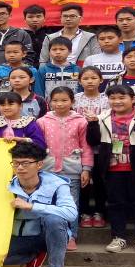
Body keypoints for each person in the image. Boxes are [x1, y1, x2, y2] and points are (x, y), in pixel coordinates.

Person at [87, 84, 135, 255]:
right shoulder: (102, 117)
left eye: (122, 98)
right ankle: (118, 237)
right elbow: (93, 141)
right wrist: (92, 124)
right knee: (115, 204)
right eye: (112, 98)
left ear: (133, 99)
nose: (117, 101)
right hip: (112, 170)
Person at [5, 141, 77, 267]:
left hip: (46, 233)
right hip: (21, 236)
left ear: (39, 165)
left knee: (54, 219)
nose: (20, 167)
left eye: (25, 163)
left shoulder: (57, 184)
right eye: (16, 163)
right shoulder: (6, 185)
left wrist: (32, 206)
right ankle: (35, 254)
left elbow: (71, 213)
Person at [37, 86, 92, 247]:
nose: (59, 104)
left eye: (64, 100)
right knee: (48, 203)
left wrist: (86, 169)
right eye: (55, 100)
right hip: (47, 169)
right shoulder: (42, 122)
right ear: (49, 102)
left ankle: (70, 236)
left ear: (72, 102)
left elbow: (86, 146)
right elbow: (37, 146)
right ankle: (48, 236)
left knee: (70, 204)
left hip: (72, 170)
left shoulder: (81, 121)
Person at [0, 1, 33, 72]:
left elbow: (29, 57)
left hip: (16, 77)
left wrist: (16, 75)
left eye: (2, 14)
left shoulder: (22, 34)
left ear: (10, 15)